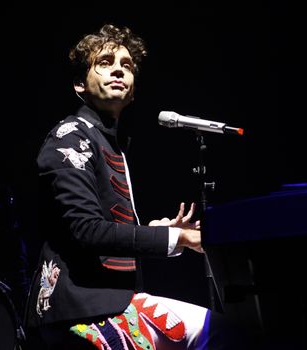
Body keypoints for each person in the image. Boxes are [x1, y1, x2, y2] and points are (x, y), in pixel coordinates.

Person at [24, 24, 247, 349]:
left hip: (110, 304)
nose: (118, 69)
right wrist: (176, 237)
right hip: (81, 310)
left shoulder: (109, 143)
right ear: (79, 84)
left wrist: (152, 231)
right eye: (105, 62)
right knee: (224, 333)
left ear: (133, 90)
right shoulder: (71, 136)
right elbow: (86, 231)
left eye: (126, 65)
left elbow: (102, 233)